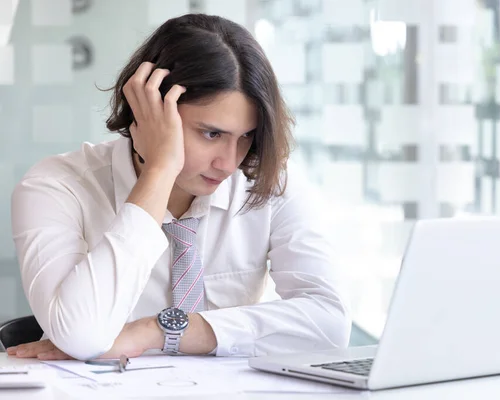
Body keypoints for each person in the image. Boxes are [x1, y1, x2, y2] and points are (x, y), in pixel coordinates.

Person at [8, 13, 351, 361]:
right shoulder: (56, 186)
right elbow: (82, 334)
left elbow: (331, 325)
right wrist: (160, 169)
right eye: (211, 134)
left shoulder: (270, 185)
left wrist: (159, 330)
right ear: (148, 111)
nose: (228, 163)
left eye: (245, 137)